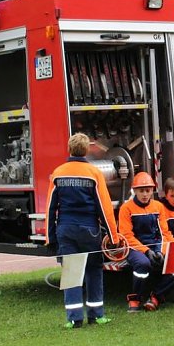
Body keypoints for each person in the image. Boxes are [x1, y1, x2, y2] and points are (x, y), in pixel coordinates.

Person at [46, 132, 117, 328]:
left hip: (66, 229)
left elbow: (51, 207)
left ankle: (74, 319)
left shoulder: (58, 172)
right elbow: (104, 206)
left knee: (70, 272)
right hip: (90, 229)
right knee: (94, 270)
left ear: (69, 149)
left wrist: (50, 237)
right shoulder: (94, 173)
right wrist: (113, 235)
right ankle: (96, 315)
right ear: (86, 151)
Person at [118, 172, 174, 312]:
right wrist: (146, 251)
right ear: (134, 191)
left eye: (148, 190)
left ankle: (156, 297)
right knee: (143, 264)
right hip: (134, 248)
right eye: (141, 191)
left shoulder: (158, 207)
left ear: (152, 190)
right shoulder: (126, 208)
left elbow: (164, 233)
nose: (145, 194)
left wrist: (160, 251)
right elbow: (126, 236)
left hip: (156, 245)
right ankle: (135, 299)